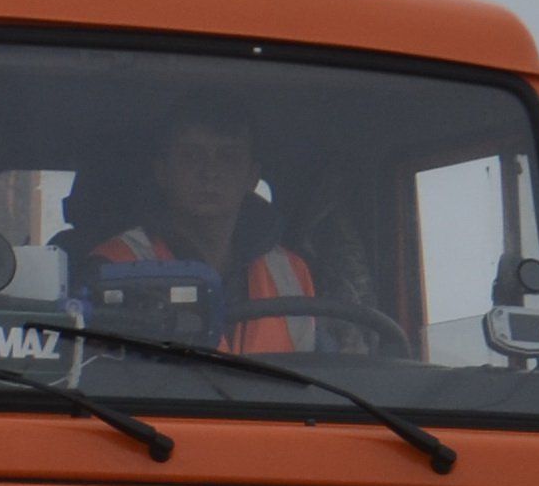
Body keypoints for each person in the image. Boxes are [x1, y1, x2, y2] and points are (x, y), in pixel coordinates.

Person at [78, 105, 386, 356]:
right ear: (162, 172)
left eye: (227, 156)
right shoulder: (113, 265)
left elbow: (326, 368)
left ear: (251, 176)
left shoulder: (292, 270)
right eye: (192, 155)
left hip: (280, 427)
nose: (209, 171)